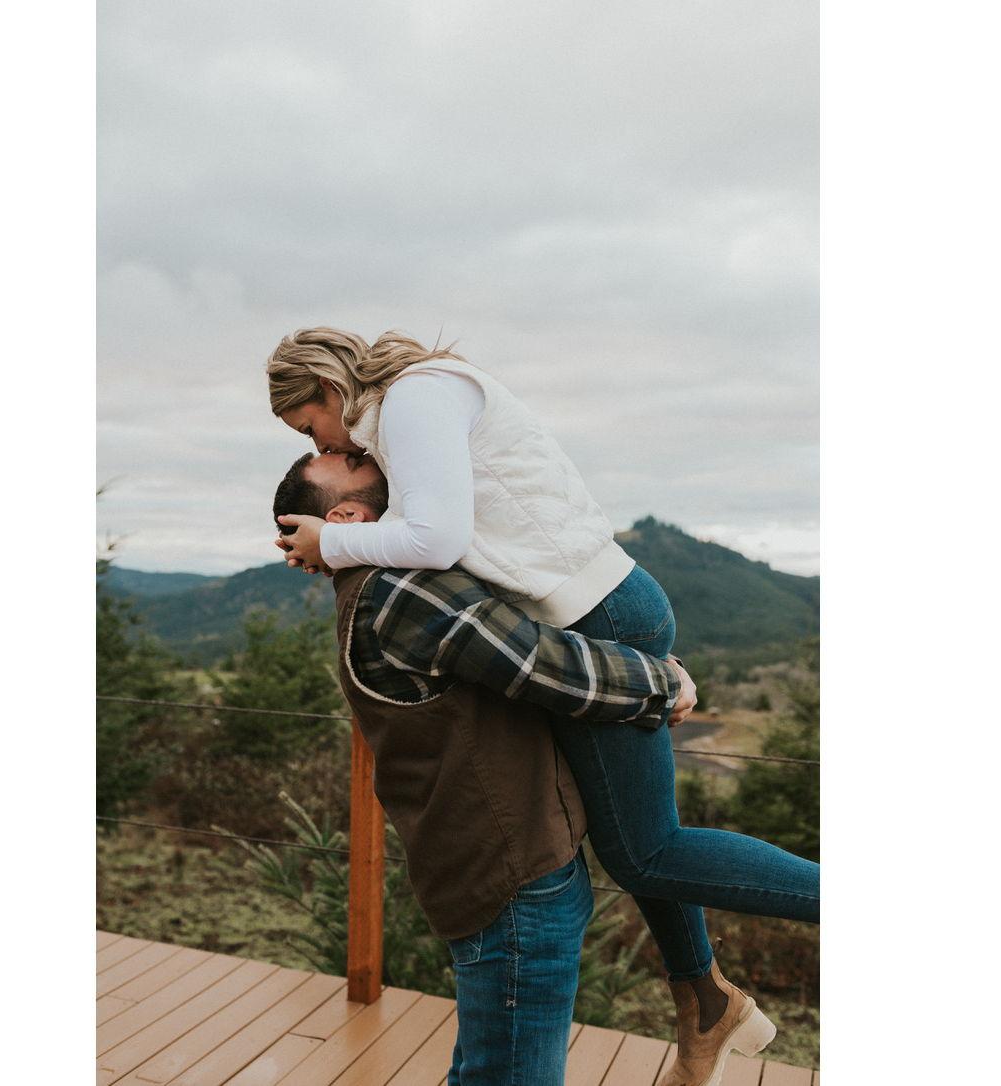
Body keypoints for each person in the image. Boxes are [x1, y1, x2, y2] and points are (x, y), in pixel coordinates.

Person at [267, 329, 819, 1086]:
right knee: (635, 837)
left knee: (646, 850)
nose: (324, 442)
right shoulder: (405, 416)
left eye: (310, 427)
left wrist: (331, 544)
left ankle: (721, 992)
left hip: (598, 615)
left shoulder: (414, 398)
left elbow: (437, 538)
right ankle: (703, 999)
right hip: (583, 616)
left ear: (328, 390)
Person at [273, 450, 698, 1085]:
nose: (367, 448)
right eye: (348, 458)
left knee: (488, 1067)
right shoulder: (396, 589)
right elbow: (537, 661)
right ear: (346, 517)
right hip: (512, 876)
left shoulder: (387, 582)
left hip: (503, 865)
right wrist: (659, 682)